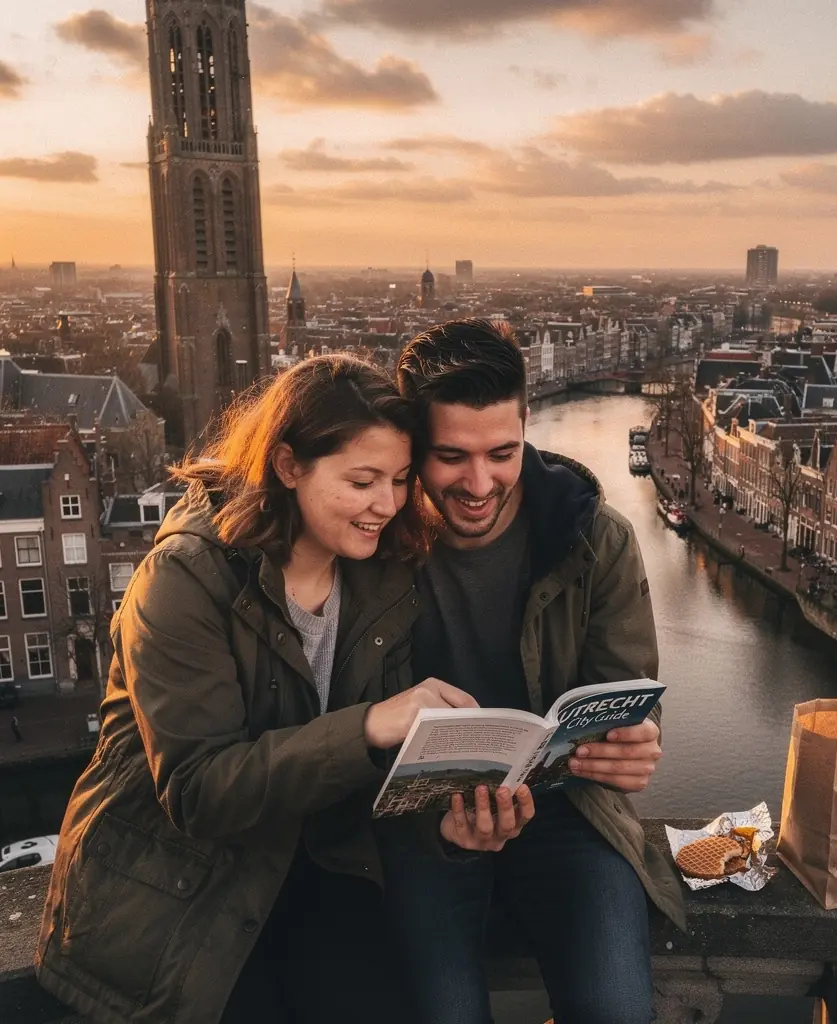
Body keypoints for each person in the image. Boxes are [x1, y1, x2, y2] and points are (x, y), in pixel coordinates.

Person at [36, 356, 516, 1024]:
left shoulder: (381, 575)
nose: (389, 503)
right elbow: (198, 792)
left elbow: (369, 784)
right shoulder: (183, 579)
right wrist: (371, 724)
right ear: (288, 467)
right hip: (182, 884)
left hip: (315, 864)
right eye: (363, 480)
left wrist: (450, 823)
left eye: (402, 480)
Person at [377, 319, 686, 1024]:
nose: (479, 484)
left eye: (502, 453)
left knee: (616, 1011)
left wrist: (635, 744)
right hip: (424, 825)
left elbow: (630, 693)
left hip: (565, 813)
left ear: (527, 426)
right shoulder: (373, 543)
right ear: (412, 448)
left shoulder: (593, 537)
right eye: (450, 456)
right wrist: (438, 828)